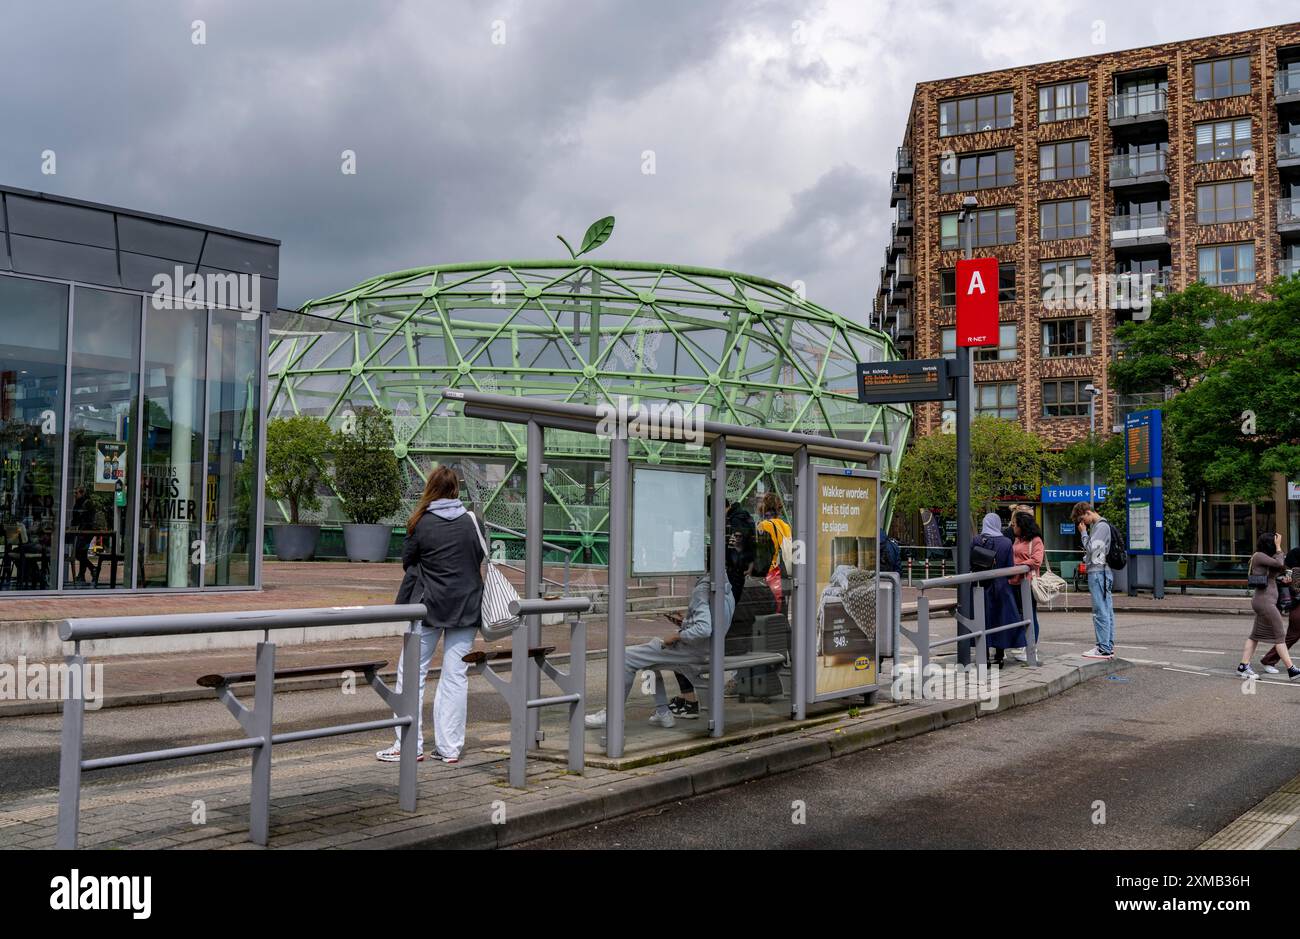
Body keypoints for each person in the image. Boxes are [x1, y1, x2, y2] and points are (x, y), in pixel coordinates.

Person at [377, 466, 485, 765]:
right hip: (466, 605)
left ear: (430, 488)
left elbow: (407, 561)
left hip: (429, 606)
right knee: (455, 675)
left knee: (412, 673)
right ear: (456, 490)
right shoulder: (473, 521)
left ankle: (409, 745)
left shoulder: (420, 522)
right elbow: (478, 556)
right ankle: (450, 748)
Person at [586, 568, 734, 730]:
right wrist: (687, 620)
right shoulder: (726, 589)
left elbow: (704, 629)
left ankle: (612, 714)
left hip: (689, 651)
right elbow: (712, 624)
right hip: (707, 651)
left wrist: (678, 636)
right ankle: (663, 713)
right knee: (649, 662)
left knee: (625, 657)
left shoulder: (702, 589)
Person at [1238, 533, 1300, 680]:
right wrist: (1278, 547)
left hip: (1265, 601)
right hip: (1265, 602)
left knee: (1254, 636)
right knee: (1280, 636)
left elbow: (1277, 571)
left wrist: (1284, 579)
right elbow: (1280, 564)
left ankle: (1243, 666)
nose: (1278, 543)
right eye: (1275, 541)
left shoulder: (1265, 557)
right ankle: (1291, 669)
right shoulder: (1259, 555)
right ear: (1269, 543)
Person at [971, 512, 1020, 667]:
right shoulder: (1006, 542)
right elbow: (1010, 567)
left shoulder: (976, 540)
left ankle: (983, 656)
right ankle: (999, 656)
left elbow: (970, 562)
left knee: (981, 620)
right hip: (1001, 587)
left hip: (979, 586)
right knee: (1001, 620)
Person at [1071, 501, 1116, 659]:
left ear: (1088, 512)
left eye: (1082, 519)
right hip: (1102, 571)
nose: (1082, 523)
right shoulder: (1101, 526)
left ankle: (1103, 648)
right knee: (1106, 610)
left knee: (1100, 611)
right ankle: (1107, 646)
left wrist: (1083, 533)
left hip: (1098, 572)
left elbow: (1092, 549)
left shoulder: (1100, 526)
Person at [1007, 511, 1044, 659]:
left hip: (1027, 583)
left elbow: (1036, 560)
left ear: (1022, 525)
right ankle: (1021, 645)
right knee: (1018, 614)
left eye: (1014, 524)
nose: (1012, 527)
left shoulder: (1035, 540)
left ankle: (1031, 648)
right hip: (1013, 581)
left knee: (1030, 614)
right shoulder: (1017, 540)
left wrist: (1018, 565)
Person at [1261, 547, 1300, 673]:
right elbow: (1294, 585)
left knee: (1291, 636)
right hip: (1297, 604)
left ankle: (1269, 660)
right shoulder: (1294, 564)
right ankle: (1268, 660)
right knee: (1292, 636)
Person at [754, 491, 791, 611]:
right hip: (783, 572)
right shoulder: (785, 526)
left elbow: (759, 553)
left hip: (770, 573)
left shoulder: (764, 525)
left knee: (770, 611)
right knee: (781, 610)